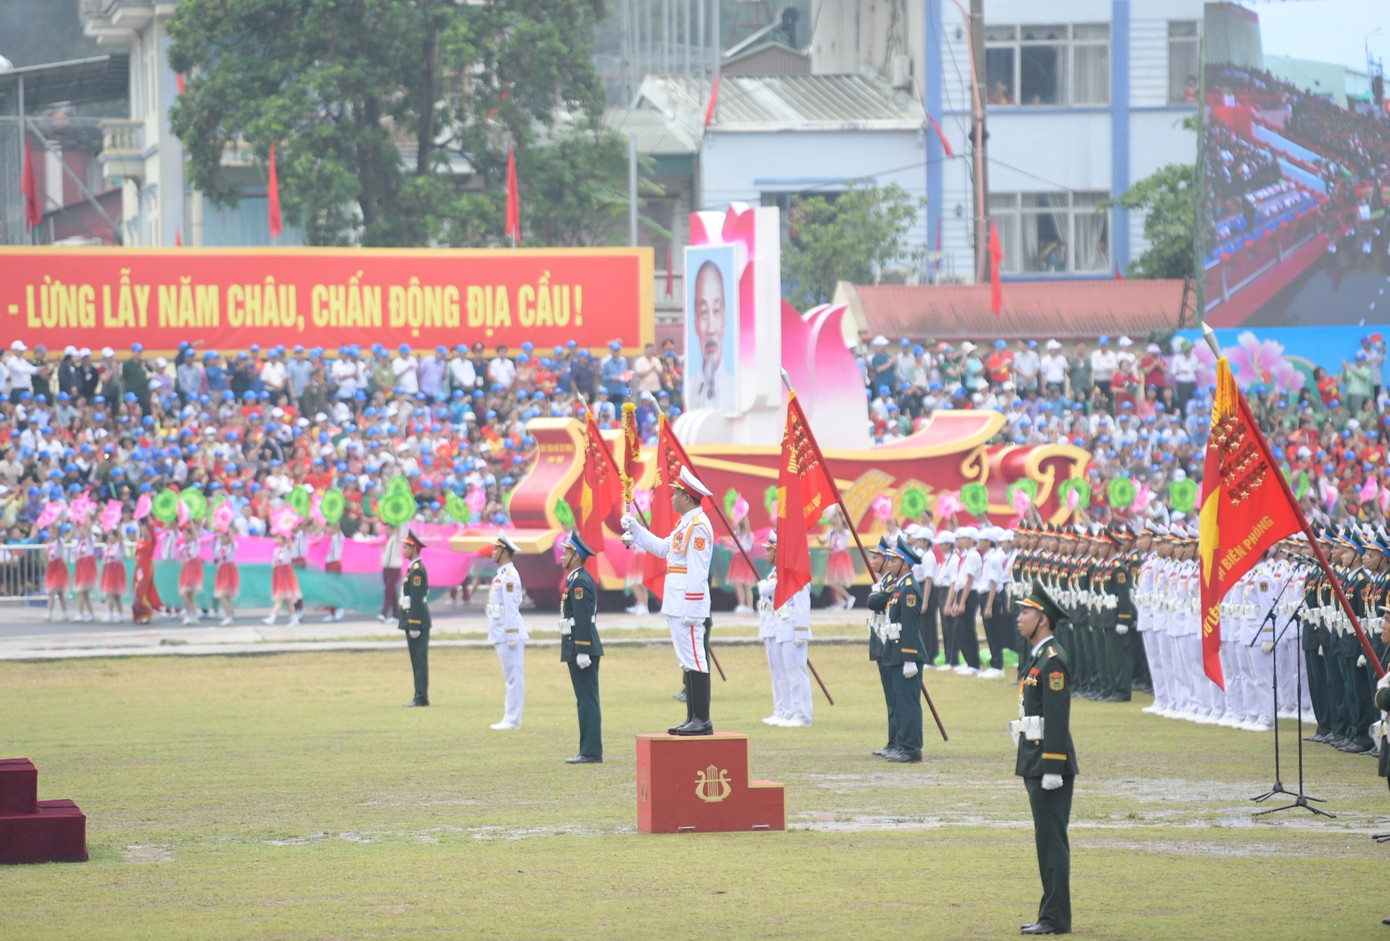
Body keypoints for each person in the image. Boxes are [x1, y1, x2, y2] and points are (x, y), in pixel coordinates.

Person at [622, 465, 715, 735]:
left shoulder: (698, 527)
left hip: (688, 600)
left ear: (687, 497)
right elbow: (664, 549)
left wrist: (693, 607)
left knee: (696, 658)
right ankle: (692, 717)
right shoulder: (684, 524)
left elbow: (698, 572)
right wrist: (637, 529)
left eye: (675, 493)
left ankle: (702, 719)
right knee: (686, 659)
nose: (671, 497)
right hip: (677, 598)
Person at [1013, 583, 1078, 936]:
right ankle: (1049, 914)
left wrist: (1053, 766)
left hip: (1049, 766)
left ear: (1042, 619)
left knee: (1052, 844)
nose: (1019, 618)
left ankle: (1055, 919)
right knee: (1045, 842)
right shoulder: (1039, 656)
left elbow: (1058, 716)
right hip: (1035, 759)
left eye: (1025, 612)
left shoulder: (1053, 660)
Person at [759, 531, 814, 727]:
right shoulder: (780, 574)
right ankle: (784, 710)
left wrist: (800, 630)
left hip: (792, 628)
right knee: (782, 672)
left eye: (769, 550)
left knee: (795, 672)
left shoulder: (796, 576)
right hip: (782, 626)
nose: (765, 553)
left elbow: (801, 603)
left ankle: (802, 715)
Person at [559, 531, 603, 763]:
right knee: (584, 699)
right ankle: (587, 748)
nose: (562, 556)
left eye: (566, 552)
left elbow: (584, 617)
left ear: (576, 557)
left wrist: (583, 649)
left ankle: (591, 751)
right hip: (576, 645)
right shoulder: (574, 579)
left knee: (587, 700)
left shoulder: (580, 582)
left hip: (581, 647)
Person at [486, 531, 528, 730]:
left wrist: (511, 633)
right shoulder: (502, 574)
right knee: (509, 676)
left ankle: (512, 719)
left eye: (496, 548)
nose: (492, 552)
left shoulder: (509, 576)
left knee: (514, 677)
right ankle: (509, 716)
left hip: (509, 632)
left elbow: (512, 606)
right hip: (501, 630)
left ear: (504, 552)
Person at [689, 261, 733, 412]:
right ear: (695, 322)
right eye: (703, 313)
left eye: (716, 310)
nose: (711, 328)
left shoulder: (736, 390)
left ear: (725, 321)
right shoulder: (690, 389)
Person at [399, 530, 431, 707]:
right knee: (416, 660)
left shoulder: (417, 571)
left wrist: (414, 623)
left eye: (406, 547)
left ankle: (421, 696)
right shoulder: (412, 569)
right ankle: (418, 694)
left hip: (417, 621)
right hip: (412, 618)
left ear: (414, 549)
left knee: (419, 660)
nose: (403, 550)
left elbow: (417, 599)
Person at [265, 532, 302, 626]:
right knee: (287, 600)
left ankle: (272, 618)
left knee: (279, 598)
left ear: (284, 539)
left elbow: (290, 545)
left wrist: (287, 534)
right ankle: (295, 620)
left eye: (279, 538)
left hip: (285, 574)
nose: (277, 540)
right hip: (278, 574)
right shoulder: (276, 550)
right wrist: (273, 564)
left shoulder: (288, 548)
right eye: (276, 538)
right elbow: (273, 560)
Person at [177, 520, 205, 625]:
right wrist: (182, 562)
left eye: (187, 534)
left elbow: (194, 533)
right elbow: (180, 556)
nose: (185, 537)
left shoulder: (195, 542)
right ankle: (192, 614)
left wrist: (190, 521)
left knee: (184, 593)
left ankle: (191, 614)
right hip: (186, 568)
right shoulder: (182, 546)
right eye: (184, 535)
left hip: (194, 567)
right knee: (188, 595)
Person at [212, 528, 240, 625]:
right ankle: (230, 613)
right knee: (224, 595)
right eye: (222, 537)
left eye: (225, 537)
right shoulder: (218, 546)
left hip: (229, 568)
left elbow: (234, 545)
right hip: (221, 569)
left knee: (222, 594)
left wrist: (229, 531)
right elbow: (216, 557)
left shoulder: (232, 546)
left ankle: (229, 616)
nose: (223, 538)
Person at [99, 527, 126, 623]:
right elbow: (104, 558)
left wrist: (118, 526)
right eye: (109, 535)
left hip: (116, 570)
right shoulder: (106, 547)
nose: (110, 537)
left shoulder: (119, 545)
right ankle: (110, 613)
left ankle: (121, 614)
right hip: (108, 570)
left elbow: (121, 538)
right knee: (109, 594)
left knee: (117, 595)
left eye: (112, 535)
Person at [43, 526, 70, 622]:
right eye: (50, 532)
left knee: (59, 592)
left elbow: (59, 540)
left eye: (53, 532)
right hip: (51, 568)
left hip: (58, 568)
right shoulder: (49, 545)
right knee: (51, 592)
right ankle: (51, 612)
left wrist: (56, 529)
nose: (51, 534)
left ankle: (63, 612)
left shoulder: (59, 542)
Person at [379, 524, 403, 623]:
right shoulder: (386, 540)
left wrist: (396, 522)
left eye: (388, 529)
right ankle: (396, 615)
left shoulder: (395, 538)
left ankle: (383, 614)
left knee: (388, 591)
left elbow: (399, 531)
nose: (386, 531)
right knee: (392, 593)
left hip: (394, 569)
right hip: (386, 568)